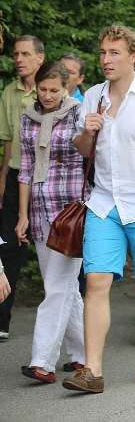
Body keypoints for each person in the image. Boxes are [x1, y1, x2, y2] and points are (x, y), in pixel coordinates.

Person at [63, 25, 135, 393]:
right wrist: (87, 132)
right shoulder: (93, 95)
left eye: (114, 53)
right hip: (103, 203)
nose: (106, 60)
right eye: (102, 53)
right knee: (96, 281)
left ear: (133, 56)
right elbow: (84, 150)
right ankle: (92, 371)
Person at [15, 62, 85, 383]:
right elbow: (26, 170)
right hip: (41, 211)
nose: (47, 96)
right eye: (42, 89)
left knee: (57, 287)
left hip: (71, 211)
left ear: (66, 88)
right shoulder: (27, 120)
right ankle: (84, 355)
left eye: (54, 90)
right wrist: (22, 215)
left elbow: (91, 155)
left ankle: (42, 361)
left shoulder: (79, 114)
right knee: (63, 287)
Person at [0, 35, 45, 341]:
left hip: (45, 179)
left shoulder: (50, 90)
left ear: (40, 58)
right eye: (16, 54)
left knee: (54, 247)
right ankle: (2, 321)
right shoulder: (9, 92)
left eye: (25, 54)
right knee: (7, 246)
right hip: (15, 176)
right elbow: (7, 143)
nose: (19, 59)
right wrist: (2, 179)